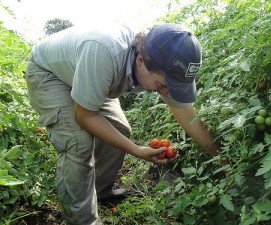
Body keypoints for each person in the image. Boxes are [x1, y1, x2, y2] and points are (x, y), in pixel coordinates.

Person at [24, 23, 221, 225]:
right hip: (50, 75)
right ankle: (82, 220)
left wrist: (222, 159)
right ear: (141, 60)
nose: (165, 92)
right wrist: (137, 150)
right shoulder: (105, 51)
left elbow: (190, 120)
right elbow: (85, 116)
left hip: (94, 75)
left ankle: (99, 192)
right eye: (162, 85)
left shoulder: (160, 56)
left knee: (119, 129)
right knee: (78, 142)